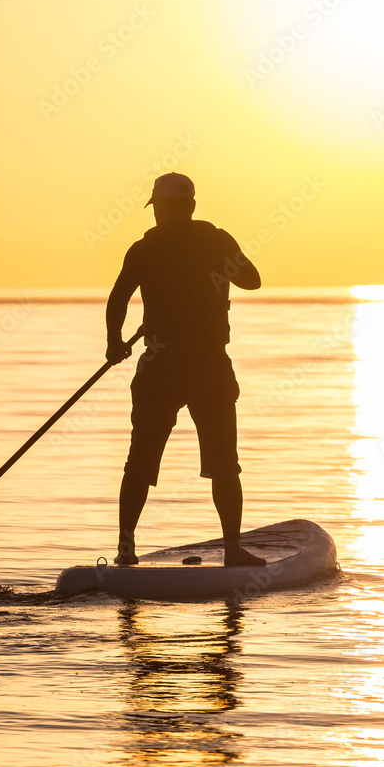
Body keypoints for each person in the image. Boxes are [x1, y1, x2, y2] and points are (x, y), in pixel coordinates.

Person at [105, 172, 267, 567]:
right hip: (209, 366)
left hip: (160, 365)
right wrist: (215, 264)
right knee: (224, 464)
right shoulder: (217, 241)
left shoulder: (144, 249)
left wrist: (114, 342)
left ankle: (126, 551)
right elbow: (252, 280)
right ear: (192, 206)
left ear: (159, 209)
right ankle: (232, 551)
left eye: (157, 208)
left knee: (139, 461)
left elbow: (118, 298)